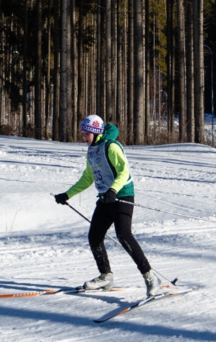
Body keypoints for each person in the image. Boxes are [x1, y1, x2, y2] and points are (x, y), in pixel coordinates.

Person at [54, 115, 162, 297]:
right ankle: (106, 276)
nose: (83, 137)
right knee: (94, 237)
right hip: (106, 197)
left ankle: (150, 277)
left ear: (96, 132)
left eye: (86, 133)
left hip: (122, 194)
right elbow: (88, 178)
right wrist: (67, 194)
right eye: (82, 133)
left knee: (124, 235)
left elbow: (124, 172)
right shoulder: (91, 150)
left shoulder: (111, 146)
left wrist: (113, 190)